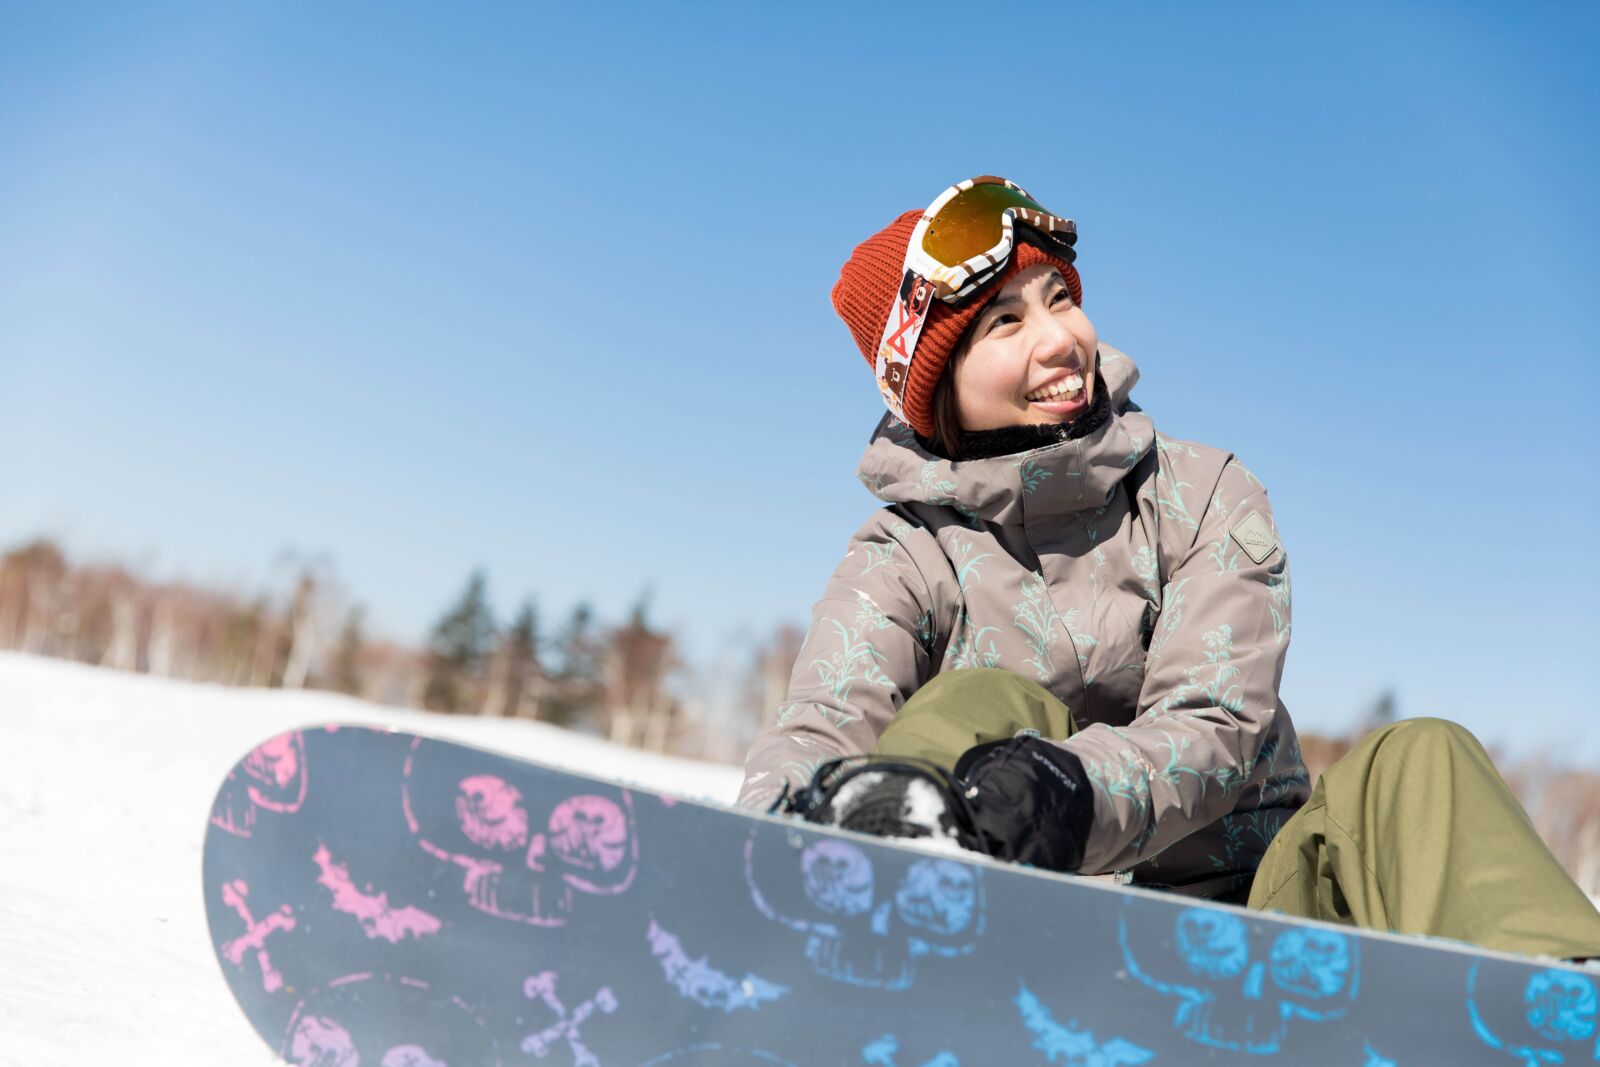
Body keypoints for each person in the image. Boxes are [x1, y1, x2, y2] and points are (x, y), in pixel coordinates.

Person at [736, 175, 1600, 960]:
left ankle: (1555, 1013)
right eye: (1005, 321)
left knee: (1422, 757)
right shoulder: (904, 554)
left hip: (1257, 915)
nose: (1059, 339)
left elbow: (1215, 726)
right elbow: (824, 724)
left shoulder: (1202, 492)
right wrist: (756, 856)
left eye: (1060, 299)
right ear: (936, 387)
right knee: (978, 705)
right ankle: (886, 870)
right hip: (1022, 931)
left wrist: (1064, 790)